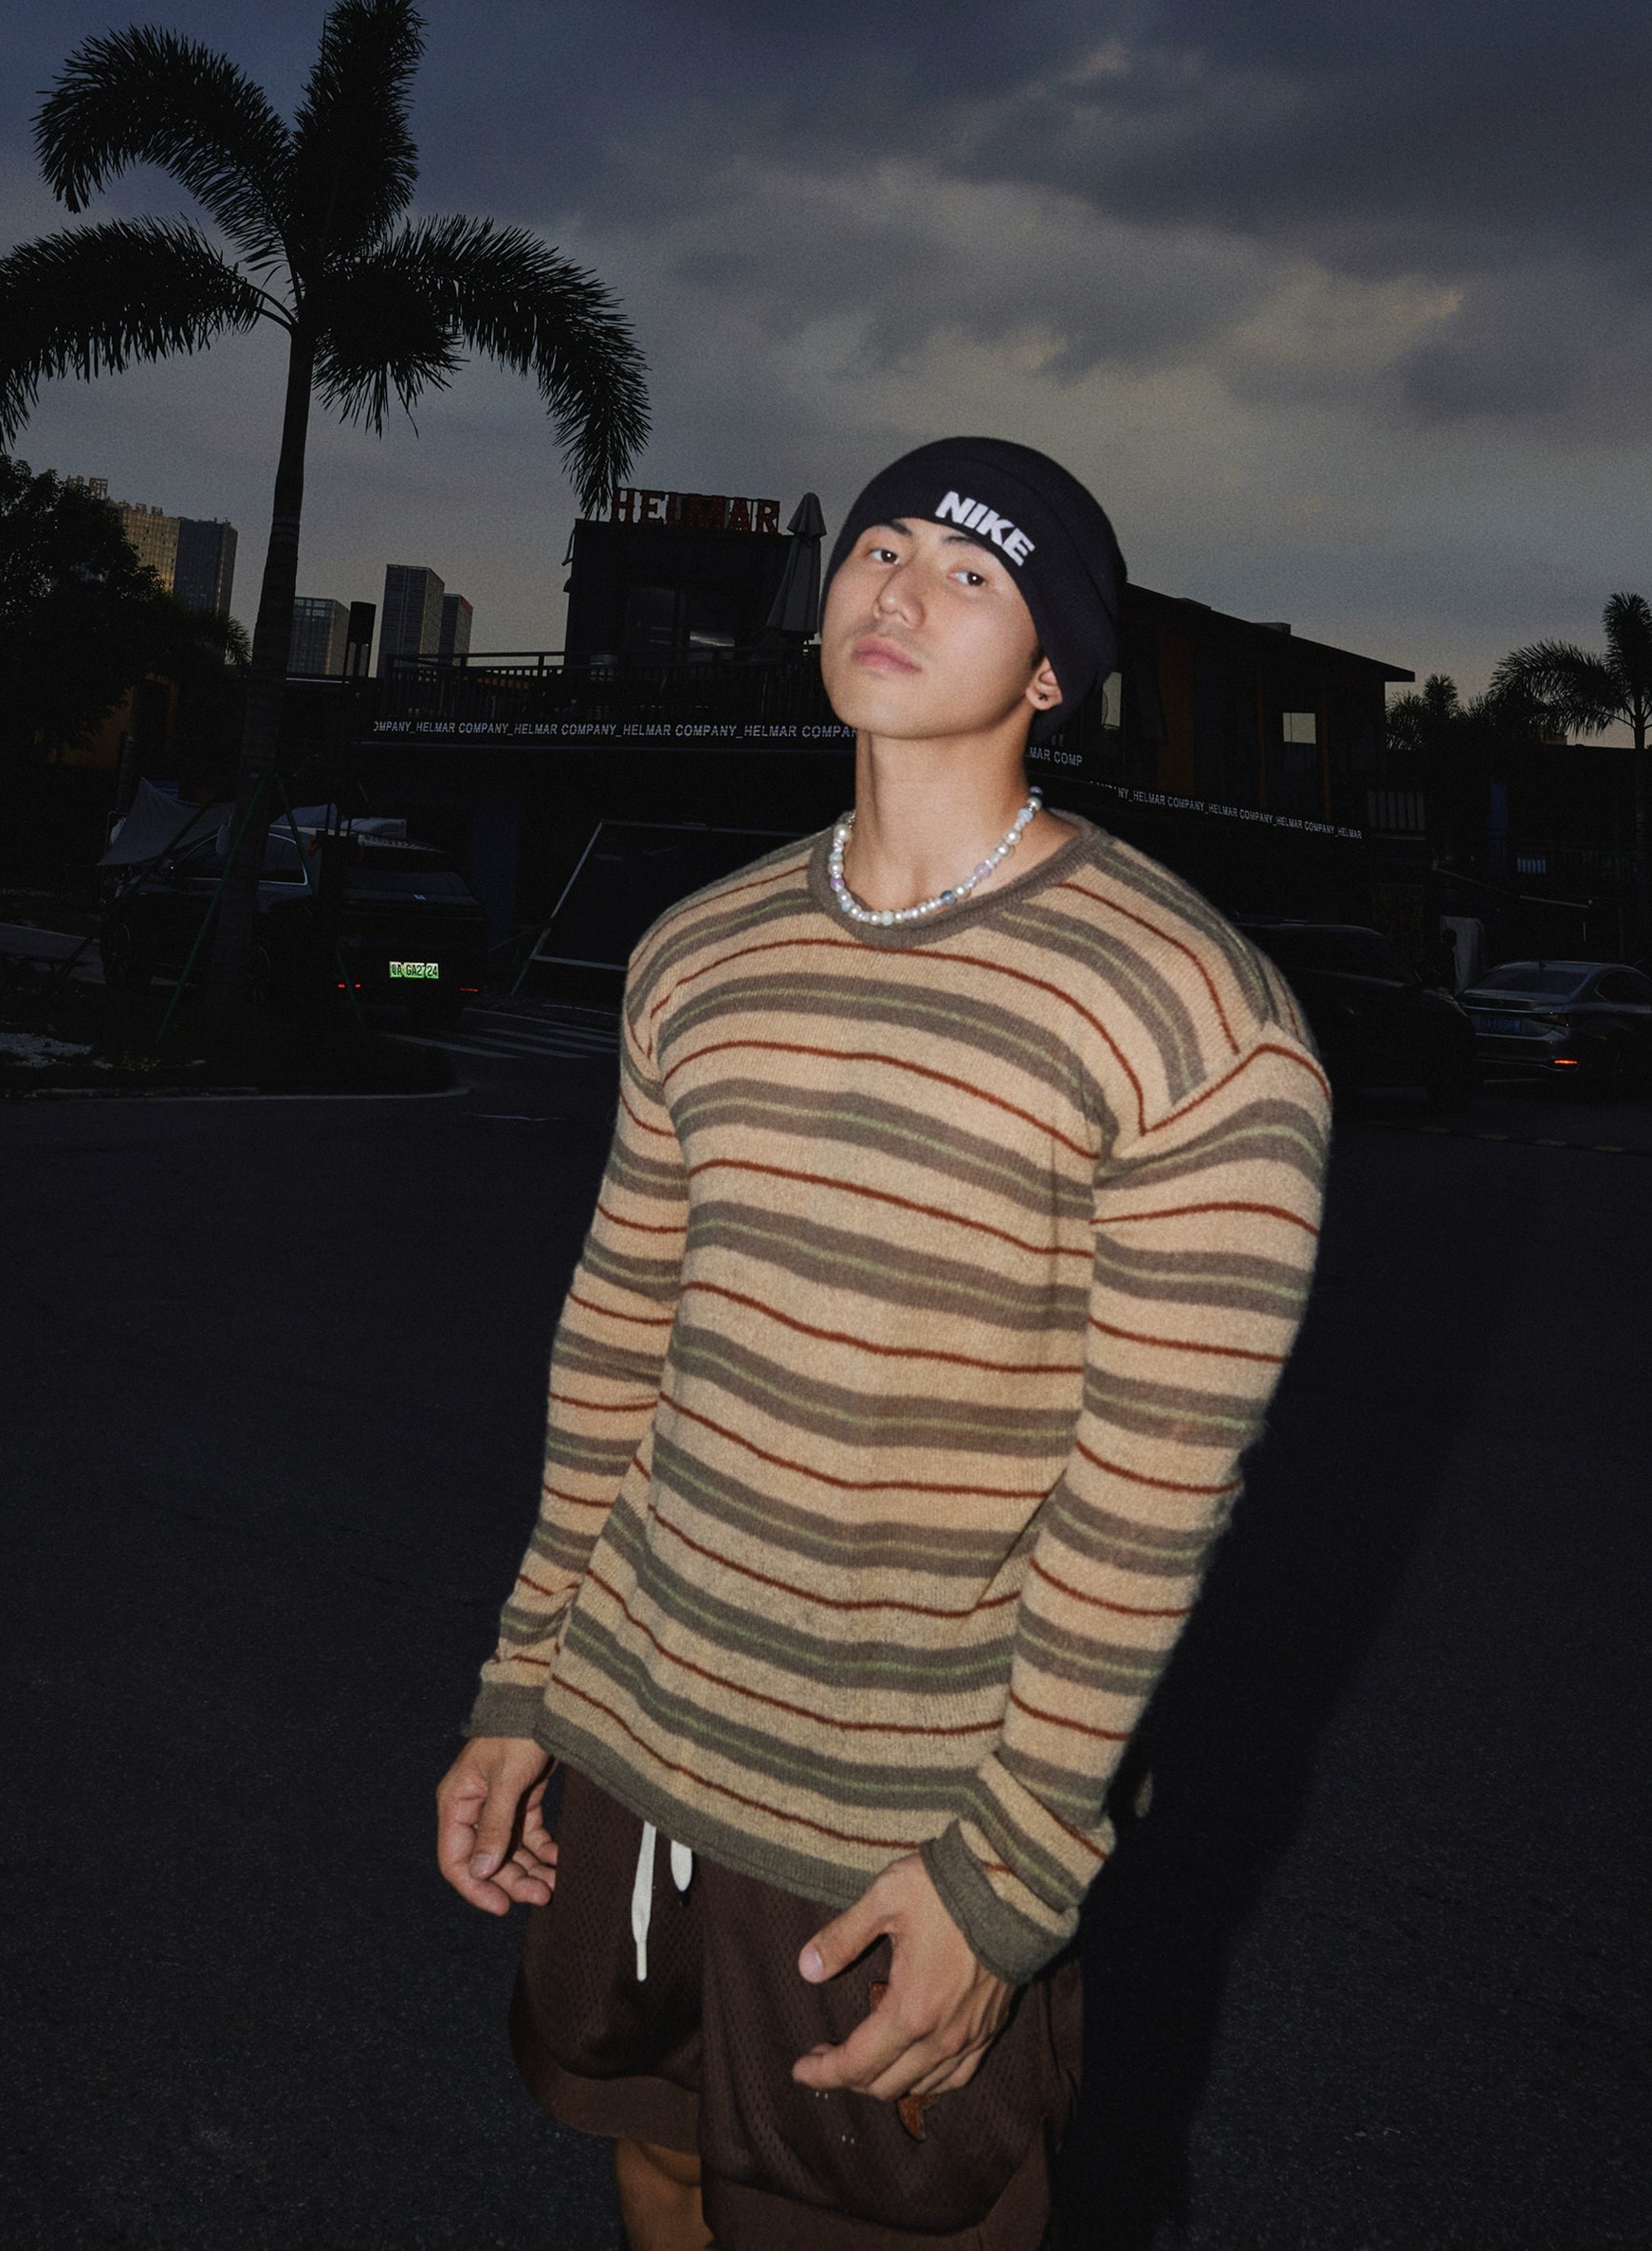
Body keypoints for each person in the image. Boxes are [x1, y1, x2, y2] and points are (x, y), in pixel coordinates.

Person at [437, 436, 1331, 2250]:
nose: (902, 586)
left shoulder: (1194, 1018)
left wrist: (1006, 1870)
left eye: (975, 573)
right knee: (655, 2155)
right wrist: (523, 1690)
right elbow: (615, 1350)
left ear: (1054, 673)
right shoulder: (697, 954)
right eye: (882, 547)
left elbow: (1143, 1509)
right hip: (633, 1740)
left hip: (894, 1816)